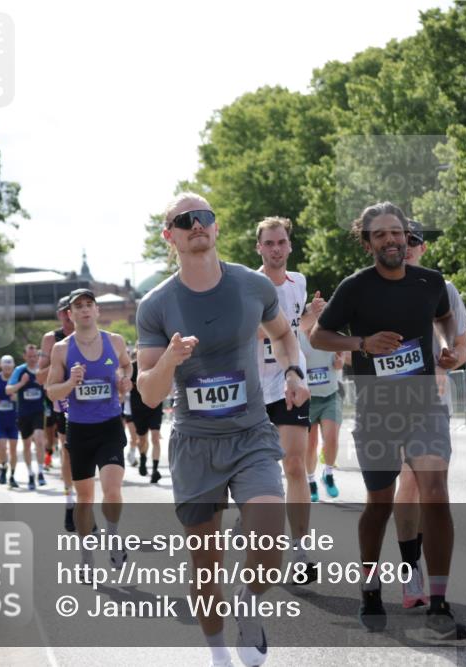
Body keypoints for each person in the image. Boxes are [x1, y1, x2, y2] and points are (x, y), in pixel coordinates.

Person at [136, 193, 309, 667]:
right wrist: (170, 358)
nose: (198, 225)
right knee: (205, 565)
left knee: (269, 541)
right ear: (169, 235)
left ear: (216, 227)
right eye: (185, 220)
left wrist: (295, 373)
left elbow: (284, 336)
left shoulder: (252, 287)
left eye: (205, 217)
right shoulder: (156, 305)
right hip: (195, 444)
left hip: (251, 433)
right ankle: (218, 654)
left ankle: (249, 601)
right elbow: (149, 393)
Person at [310, 201, 466, 639]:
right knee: (379, 504)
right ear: (368, 243)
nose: (391, 241)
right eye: (379, 235)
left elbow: (443, 317)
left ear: (405, 236)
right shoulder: (356, 287)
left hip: (424, 406)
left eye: (396, 233)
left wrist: (447, 346)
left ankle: (438, 603)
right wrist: (362, 342)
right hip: (378, 410)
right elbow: (319, 334)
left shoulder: (430, 282)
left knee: (435, 493)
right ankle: (370, 590)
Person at [386, 219, 466, 610]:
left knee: (435, 490)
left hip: (436, 404)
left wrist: (448, 362)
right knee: (409, 484)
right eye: (401, 239)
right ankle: (411, 570)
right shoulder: (377, 288)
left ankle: (437, 591)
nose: (407, 246)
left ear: (423, 248)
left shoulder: (444, 289)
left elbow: (463, 347)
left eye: (415, 241)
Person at [46, 288, 133, 570]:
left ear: (97, 311)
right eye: (78, 307)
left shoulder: (115, 341)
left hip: (109, 425)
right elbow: (50, 391)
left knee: (112, 488)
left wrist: (125, 381)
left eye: (89, 305)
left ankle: (113, 535)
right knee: (85, 497)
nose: (84, 310)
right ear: (70, 315)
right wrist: (70, 383)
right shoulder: (62, 349)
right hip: (80, 429)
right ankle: (85, 556)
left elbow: (126, 367)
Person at [254, 216, 318, 581]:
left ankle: (299, 550)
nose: (276, 249)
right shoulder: (249, 286)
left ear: (289, 246)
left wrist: (311, 316)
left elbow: (296, 329)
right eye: (269, 244)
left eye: (281, 242)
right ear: (259, 248)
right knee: (260, 471)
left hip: (292, 381)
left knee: (294, 464)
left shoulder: (299, 283)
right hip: (254, 387)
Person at [297, 295, 347, 503]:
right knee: (310, 443)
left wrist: (339, 362)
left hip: (329, 395)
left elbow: (341, 359)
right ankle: (311, 481)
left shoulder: (330, 334)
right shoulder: (297, 336)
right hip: (308, 399)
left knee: (332, 438)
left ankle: (328, 473)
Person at [38, 296, 77, 531]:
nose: (67, 315)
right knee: (68, 452)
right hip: (64, 401)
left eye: (70, 310)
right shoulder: (52, 339)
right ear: (59, 315)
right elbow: (40, 376)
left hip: (93, 401)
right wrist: (59, 363)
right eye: (63, 312)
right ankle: (70, 502)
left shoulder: (94, 333)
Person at [7, 344, 47, 490]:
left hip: (38, 411)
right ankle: (30, 473)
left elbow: (50, 387)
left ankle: (41, 472)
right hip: (24, 413)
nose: (33, 359)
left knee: (39, 439)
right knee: (27, 445)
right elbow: (8, 389)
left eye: (35, 356)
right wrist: (22, 383)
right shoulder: (19, 370)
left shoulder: (41, 370)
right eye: (30, 356)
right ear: (25, 357)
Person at [128, 347, 164, 483]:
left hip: (155, 406)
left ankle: (155, 470)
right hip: (138, 408)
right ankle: (143, 459)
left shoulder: (157, 366)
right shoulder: (132, 367)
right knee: (142, 439)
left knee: (155, 438)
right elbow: (128, 385)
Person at [0, 356, 21, 487]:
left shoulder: (16, 379)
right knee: (1, 448)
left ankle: (12, 476)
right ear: (1, 366)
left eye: (10, 366)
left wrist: (17, 397)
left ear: (13, 367)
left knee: (13, 450)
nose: (7, 368)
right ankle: (3, 467)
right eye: (5, 366)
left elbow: (23, 395)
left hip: (13, 420)